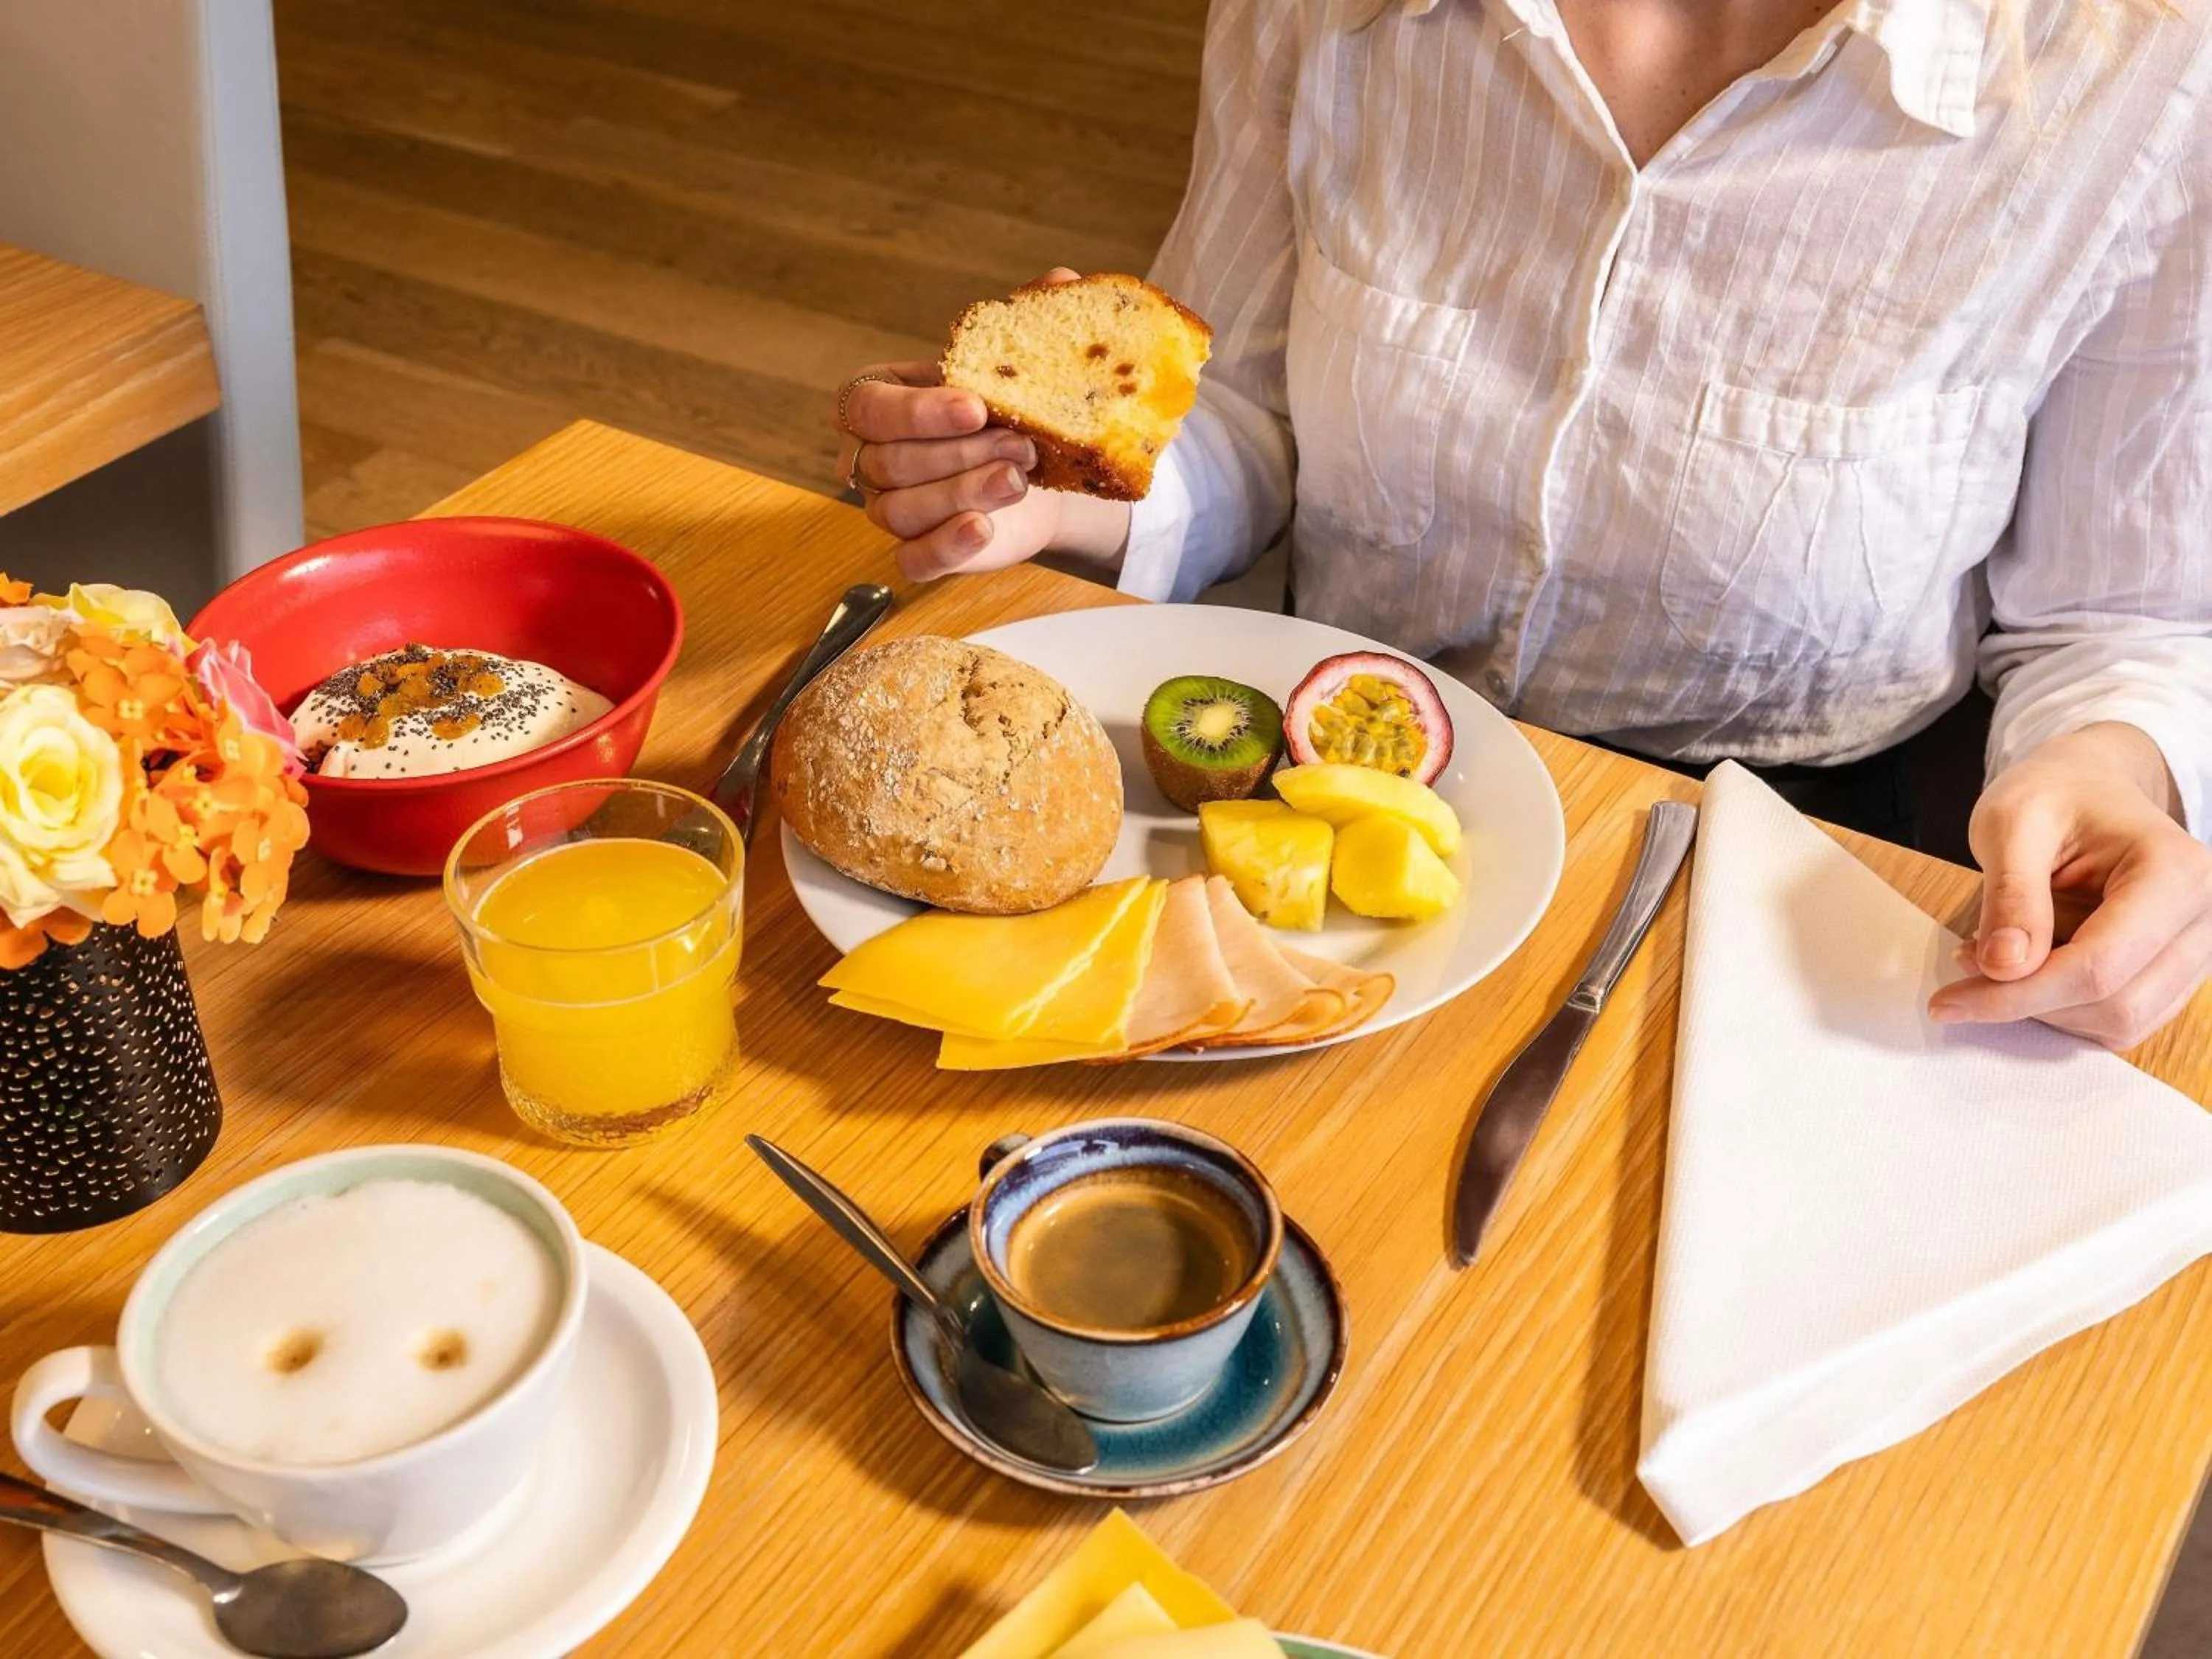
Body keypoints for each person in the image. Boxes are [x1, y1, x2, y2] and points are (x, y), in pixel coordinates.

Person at [827, 0, 2212, 1050]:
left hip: (1794, 873)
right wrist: (1061, 495)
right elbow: (1242, 406)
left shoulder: (2143, 71)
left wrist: (2112, 769)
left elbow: (2123, 617)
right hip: (1318, 799)